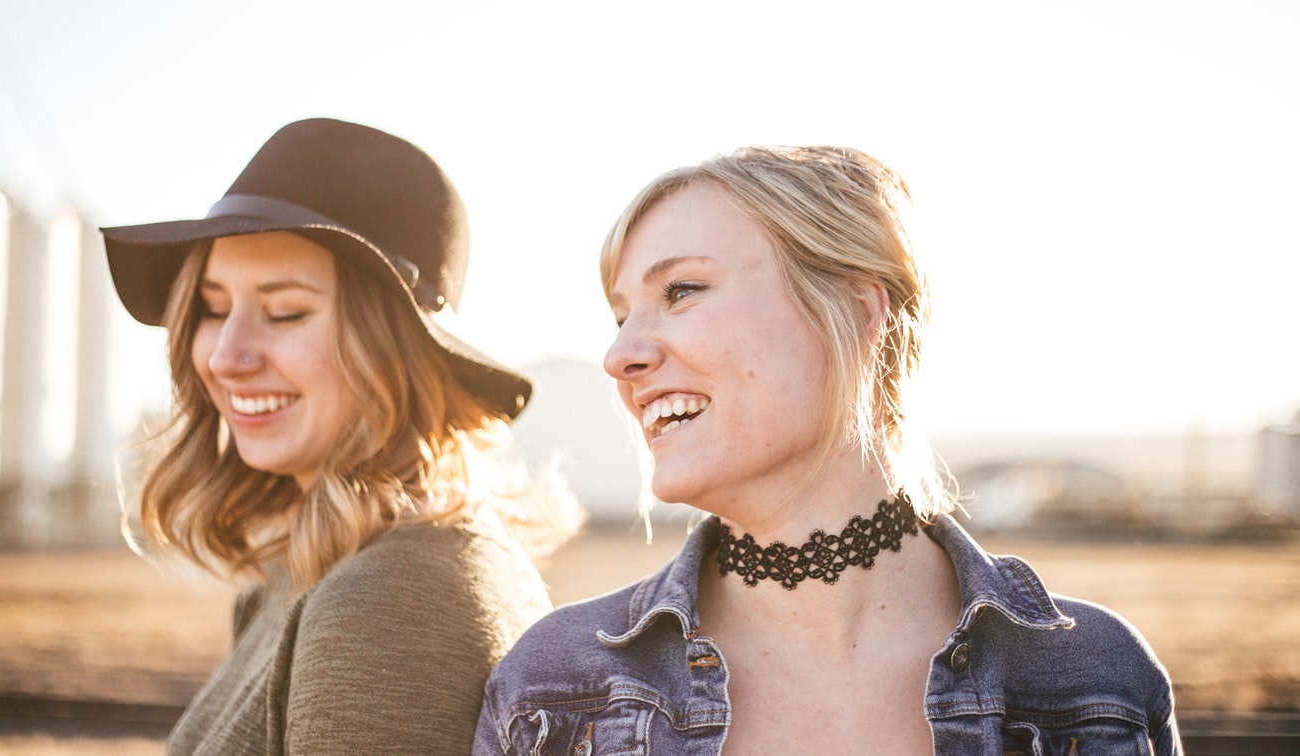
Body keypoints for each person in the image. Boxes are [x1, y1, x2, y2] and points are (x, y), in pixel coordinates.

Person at [474, 146, 1180, 754]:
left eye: (682, 290)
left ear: (857, 311)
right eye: (622, 315)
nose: (619, 355)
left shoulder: (1097, 681)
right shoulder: (552, 690)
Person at [101, 117, 579, 755]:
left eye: (285, 312)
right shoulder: (308, 570)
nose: (225, 356)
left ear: (396, 348)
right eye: (213, 308)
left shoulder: (394, 601)